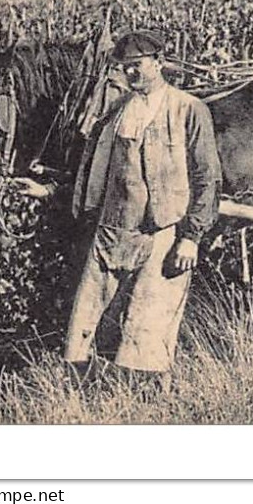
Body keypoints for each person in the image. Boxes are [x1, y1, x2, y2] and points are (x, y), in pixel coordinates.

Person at [63, 30, 221, 383]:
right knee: (84, 325)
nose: (131, 74)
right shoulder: (116, 114)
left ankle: (150, 403)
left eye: (137, 66)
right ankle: (87, 395)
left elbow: (207, 178)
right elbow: (94, 172)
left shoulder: (188, 110)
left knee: (149, 327)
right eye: (125, 68)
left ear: (159, 63)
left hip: (162, 232)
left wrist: (190, 237)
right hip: (112, 231)